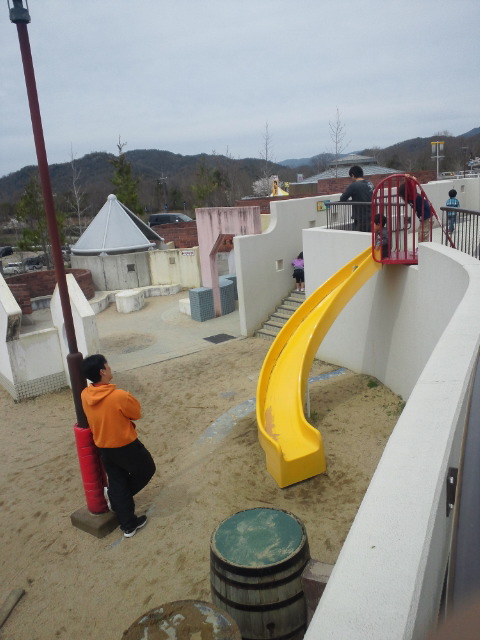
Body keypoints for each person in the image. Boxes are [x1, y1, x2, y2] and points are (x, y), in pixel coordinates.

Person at [81, 354, 156, 538]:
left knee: (118, 479)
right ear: (102, 371)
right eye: (107, 365)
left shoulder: (85, 395)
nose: (110, 367)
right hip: (126, 446)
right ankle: (116, 497)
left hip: (104, 447)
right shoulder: (118, 396)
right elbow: (136, 413)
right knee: (147, 469)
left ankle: (128, 525)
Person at [340, 165, 374, 232]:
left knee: (358, 236)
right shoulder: (370, 184)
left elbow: (342, 198)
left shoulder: (353, 185)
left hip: (359, 217)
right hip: (371, 216)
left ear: (353, 175)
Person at [398, 179, 431, 244]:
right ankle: (421, 246)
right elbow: (412, 187)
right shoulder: (410, 198)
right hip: (424, 218)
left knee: (423, 234)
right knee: (421, 233)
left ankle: (423, 247)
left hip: (427, 217)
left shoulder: (412, 196)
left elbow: (411, 188)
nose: (402, 198)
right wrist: (412, 180)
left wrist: (408, 180)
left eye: (402, 196)